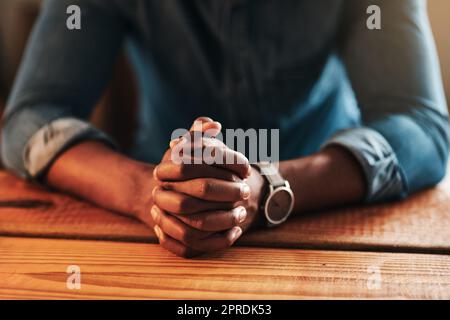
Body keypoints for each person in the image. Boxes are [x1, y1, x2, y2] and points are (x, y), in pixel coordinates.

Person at [1, 0, 448, 258]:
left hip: (332, 213)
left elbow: (423, 127)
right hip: (163, 219)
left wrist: (269, 186)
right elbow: (31, 114)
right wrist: (147, 193)